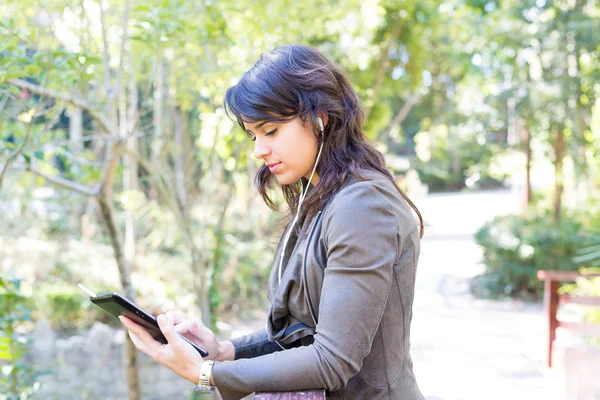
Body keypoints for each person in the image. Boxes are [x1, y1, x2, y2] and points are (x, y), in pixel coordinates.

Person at [119, 44, 425, 400]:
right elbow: (302, 331)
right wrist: (224, 352)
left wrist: (207, 374)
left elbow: (332, 359)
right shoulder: (320, 203)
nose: (258, 151)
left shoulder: (363, 205)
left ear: (320, 117)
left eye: (270, 131)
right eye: (253, 135)